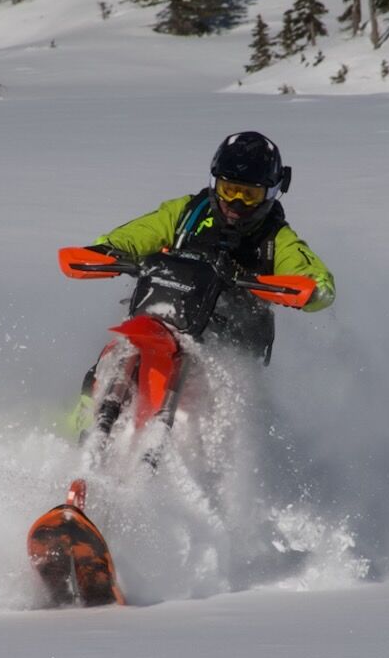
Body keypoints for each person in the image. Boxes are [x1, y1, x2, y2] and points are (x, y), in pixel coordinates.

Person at [65, 131, 336, 435]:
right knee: (114, 352)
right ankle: (79, 430)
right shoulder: (186, 214)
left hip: (230, 344)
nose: (235, 202)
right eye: (229, 189)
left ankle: (226, 456)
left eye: (249, 195)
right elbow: (139, 233)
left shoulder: (276, 240)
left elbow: (316, 278)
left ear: (270, 194)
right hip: (165, 317)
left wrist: (311, 290)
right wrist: (108, 250)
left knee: (237, 408)